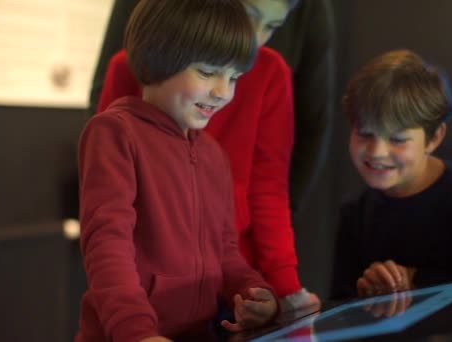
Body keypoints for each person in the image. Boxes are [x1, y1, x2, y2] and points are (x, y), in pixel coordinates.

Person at [93, 0, 321, 312]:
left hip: (228, 286)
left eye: (271, 26)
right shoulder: (121, 97)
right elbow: (109, 222)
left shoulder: (215, 150)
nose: (254, 35)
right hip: (142, 289)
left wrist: (281, 285)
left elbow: (267, 191)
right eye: (249, 15)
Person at [87, 0, 336, 216]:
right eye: (207, 72)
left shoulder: (274, 68)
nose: (255, 38)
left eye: (235, 78)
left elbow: (310, 125)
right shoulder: (126, 72)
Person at [330, 49, 452, 300]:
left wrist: (416, 279)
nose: (377, 152)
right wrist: (366, 291)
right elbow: (341, 299)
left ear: (434, 137)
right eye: (364, 134)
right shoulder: (356, 211)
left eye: (397, 139)